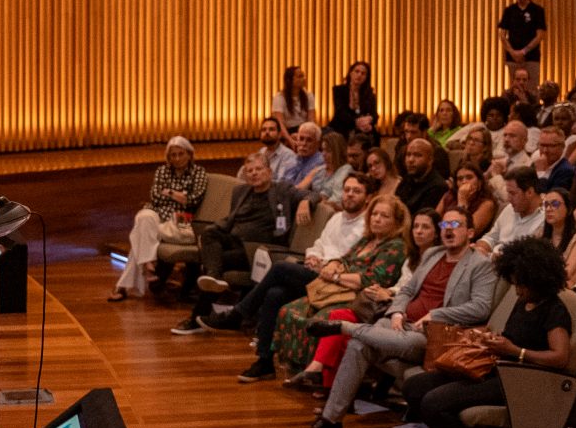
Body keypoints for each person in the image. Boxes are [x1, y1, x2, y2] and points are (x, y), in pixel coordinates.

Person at [298, 209, 497, 428]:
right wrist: (397, 312)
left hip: (431, 335)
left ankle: (344, 327)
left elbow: (480, 307)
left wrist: (436, 314)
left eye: (456, 225)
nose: (449, 230)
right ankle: (331, 421)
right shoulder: (433, 254)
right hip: (399, 324)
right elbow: (408, 290)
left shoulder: (480, 264)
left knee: (377, 340)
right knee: (358, 346)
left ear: (470, 232)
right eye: (445, 225)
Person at [415, 238, 574, 428]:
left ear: (538, 279)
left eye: (521, 284)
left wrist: (515, 351)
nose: (517, 290)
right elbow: (511, 338)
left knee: (434, 403)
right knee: (416, 387)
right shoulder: (523, 301)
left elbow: (560, 357)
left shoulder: (555, 310)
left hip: (518, 380)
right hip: (496, 367)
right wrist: (493, 341)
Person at [239, 191, 411, 384]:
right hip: (332, 286)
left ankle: (241, 312)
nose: (377, 219)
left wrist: (336, 276)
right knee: (275, 294)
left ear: (397, 222)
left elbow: (371, 279)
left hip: (354, 296)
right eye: (374, 214)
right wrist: (332, 264)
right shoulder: (368, 239)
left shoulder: (395, 246)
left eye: (384, 216)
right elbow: (344, 259)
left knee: (281, 268)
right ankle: (264, 362)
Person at [170, 152, 299, 332]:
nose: (254, 173)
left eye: (258, 169)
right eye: (249, 171)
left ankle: (196, 318)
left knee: (217, 261)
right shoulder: (240, 191)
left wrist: (305, 204)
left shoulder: (282, 191)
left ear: (269, 172)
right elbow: (231, 219)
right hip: (234, 240)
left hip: (257, 250)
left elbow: (311, 196)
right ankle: (213, 277)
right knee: (209, 234)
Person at [111, 135, 208, 302]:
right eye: (173, 155)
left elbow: (193, 200)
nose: (177, 158)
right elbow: (155, 197)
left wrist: (168, 192)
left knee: (141, 235)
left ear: (189, 154)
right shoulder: (162, 171)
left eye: (181, 154)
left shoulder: (198, 172)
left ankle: (125, 283)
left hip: (181, 219)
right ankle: (148, 261)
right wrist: (179, 195)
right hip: (158, 214)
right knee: (144, 217)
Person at [496, 0, 546, 80]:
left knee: (531, 87)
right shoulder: (509, 10)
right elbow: (502, 35)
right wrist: (512, 52)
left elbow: (540, 35)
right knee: (515, 87)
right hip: (513, 59)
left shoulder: (537, 10)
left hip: (531, 58)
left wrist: (523, 51)